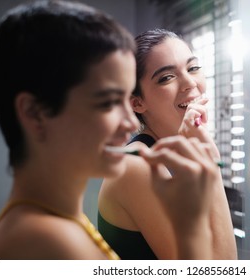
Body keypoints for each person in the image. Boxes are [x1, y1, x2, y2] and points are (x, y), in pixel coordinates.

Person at [0, 1, 221, 260]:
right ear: (35, 113)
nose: (128, 122)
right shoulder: (43, 239)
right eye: (107, 102)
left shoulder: (58, 222)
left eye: (125, 99)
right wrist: (191, 228)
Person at [98, 29, 238, 260]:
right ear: (137, 103)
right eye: (167, 77)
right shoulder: (136, 166)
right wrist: (211, 163)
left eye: (193, 68)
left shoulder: (174, 157)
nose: (190, 83)